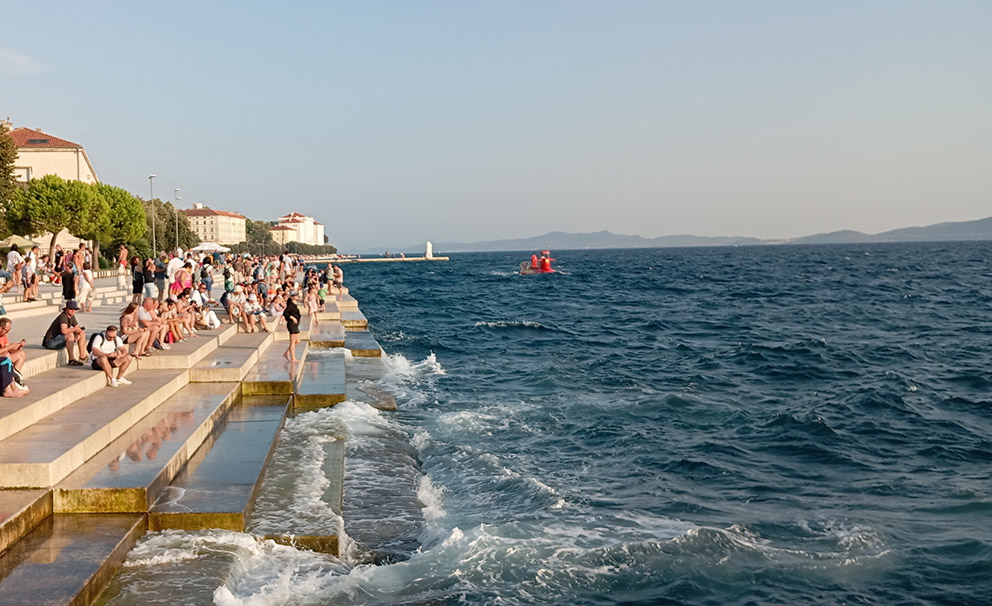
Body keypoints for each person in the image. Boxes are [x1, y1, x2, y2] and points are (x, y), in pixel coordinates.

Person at [42, 300, 87, 365]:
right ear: (66, 309)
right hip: (51, 342)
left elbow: (77, 327)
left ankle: (83, 356)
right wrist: (74, 329)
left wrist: (78, 331)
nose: (73, 310)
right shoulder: (63, 317)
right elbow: (64, 330)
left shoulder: (72, 316)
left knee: (82, 333)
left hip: (60, 339)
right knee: (70, 335)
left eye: (75, 309)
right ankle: (71, 360)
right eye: (71, 308)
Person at [0, 317, 28, 388]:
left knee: (21, 354)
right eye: (6, 330)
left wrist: (17, 346)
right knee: (6, 355)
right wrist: (9, 347)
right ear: (0, 328)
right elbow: (7, 349)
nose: (7, 332)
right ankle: (10, 381)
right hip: (2, 359)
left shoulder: (4, 336)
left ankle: (15, 378)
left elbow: (7, 348)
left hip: (4, 357)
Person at [283, 292, 301, 361]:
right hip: (292, 324)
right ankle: (293, 358)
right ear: (292, 296)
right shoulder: (290, 304)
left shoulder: (294, 304)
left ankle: (286, 353)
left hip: (295, 325)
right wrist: (292, 317)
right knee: (293, 341)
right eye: (296, 295)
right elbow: (285, 313)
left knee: (298, 341)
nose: (297, 296)